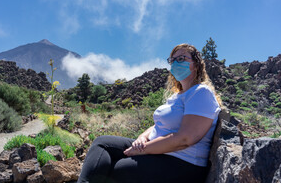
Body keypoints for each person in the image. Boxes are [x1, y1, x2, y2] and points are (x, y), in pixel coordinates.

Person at [77, 43, 221, 183]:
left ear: (196, 65)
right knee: (102, 143)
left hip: (182, 162)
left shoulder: (200, 92)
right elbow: (158, 124)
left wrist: (143, 150)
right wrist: (142, 137)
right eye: (173, 60)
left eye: (181, 58)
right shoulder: (176, 96)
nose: (176, 63)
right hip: (157, 149)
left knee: (117, 170)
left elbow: (185, 139)